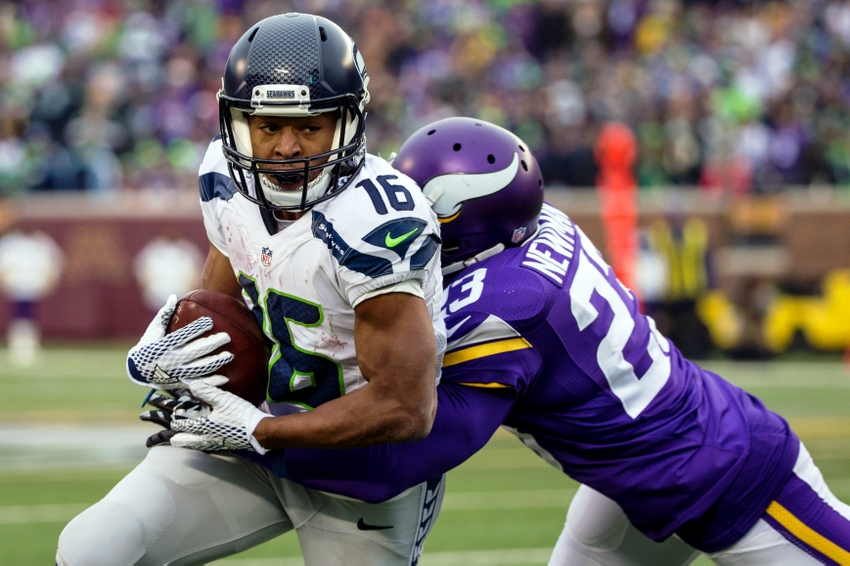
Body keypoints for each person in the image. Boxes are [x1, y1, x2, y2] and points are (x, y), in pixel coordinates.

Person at [241, 117, 850, 564]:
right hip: (630, 475)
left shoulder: (501, 307)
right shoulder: (532, 228)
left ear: (461, 229)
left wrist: (259, 436)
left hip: (729, 475)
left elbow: (401, 454)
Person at [56, 13, 446, 565]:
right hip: (247, 440)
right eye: (268, 126)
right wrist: (180, 357)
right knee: (96, 547)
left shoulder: (374, 223)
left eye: (309, 126)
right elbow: (226, 296)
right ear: (238, 123)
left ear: (348, 122)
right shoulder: (224, 176)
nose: (286, 147)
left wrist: (262, 426)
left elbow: (408, 408)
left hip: (360, 468)